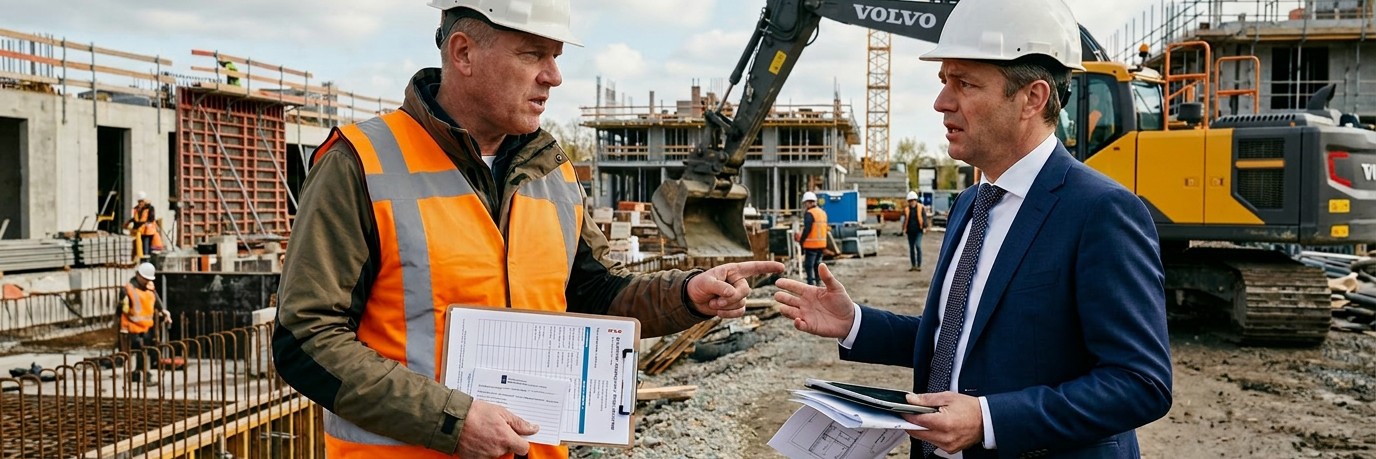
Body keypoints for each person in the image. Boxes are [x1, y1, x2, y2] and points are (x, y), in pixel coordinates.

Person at [271, 1, 784, 458]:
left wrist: (687, 295)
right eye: (532, 54)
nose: (554, 76)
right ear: (464, 53)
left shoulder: (551, 171)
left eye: (555, 56)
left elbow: (597, 292)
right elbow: (306, 337)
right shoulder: (361, 163)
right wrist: (451, 421)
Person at [773, 0, 1173, 458]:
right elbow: (964, 337)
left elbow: (1140, 382)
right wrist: (855, 324)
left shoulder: (1101, 211)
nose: (941, 102)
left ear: (1032, 98)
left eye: (964, 83)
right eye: (944, 81)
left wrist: (989, 419)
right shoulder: (971, 203)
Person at [118, 262, 170, 385]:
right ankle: (138, 374)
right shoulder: (127, 290)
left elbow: (156, 300)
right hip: (132, 327)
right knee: (137, 350)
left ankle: (141, 373)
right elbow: (122, 311)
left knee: (147, 350)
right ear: (138, 275)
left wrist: (163, 310)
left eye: (149, 279)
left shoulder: (150, 287)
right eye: (145, 278)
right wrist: (122, 328)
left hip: (147, 326)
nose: (147, 281)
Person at [796, 191, 828, 286]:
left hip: (811, 244)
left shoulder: (809, 213)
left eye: (805, 203)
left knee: (809, 265)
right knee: (817, 264)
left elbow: (807, 228)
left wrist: (801, 241)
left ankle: (811, 282)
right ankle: (818, 281)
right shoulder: (822, 212)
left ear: (808, 202)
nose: (805, 205)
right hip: (821, 244)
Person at [901, 191, 928, 272]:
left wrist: (924, 227)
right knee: (911, 248)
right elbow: (903, 220)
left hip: (919, 230)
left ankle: (919, 265)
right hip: (910, 231)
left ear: (916, 200)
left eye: (914, 200)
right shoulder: (906, 210)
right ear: (908, 202)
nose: (912, 202)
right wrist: (903, 229)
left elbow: (924, 217)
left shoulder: (921, 208)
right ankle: (913, 265)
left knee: (918, 245)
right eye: (911, 201)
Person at [126, 191, 158, 260]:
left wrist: (148, 223)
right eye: (139, 202)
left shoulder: (149, 208)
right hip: (140, 229)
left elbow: (151, 218)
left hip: (147, 230)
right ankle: (142, 257)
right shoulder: (136, 209)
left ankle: (146, 259)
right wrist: (129, 223)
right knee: (140, 244)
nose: (140, 203)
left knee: (146, 243)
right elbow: (135, 219)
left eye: (142, 201)